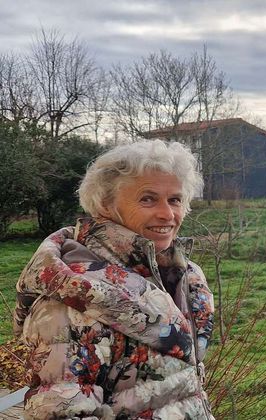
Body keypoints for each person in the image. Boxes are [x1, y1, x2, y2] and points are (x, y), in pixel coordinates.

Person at [14, 140, 215, 419]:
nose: (167, 214)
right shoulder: (70, 301)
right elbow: (60, 411)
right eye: (148, 198)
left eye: (175, 199)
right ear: (105, 204)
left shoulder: (181, 276)